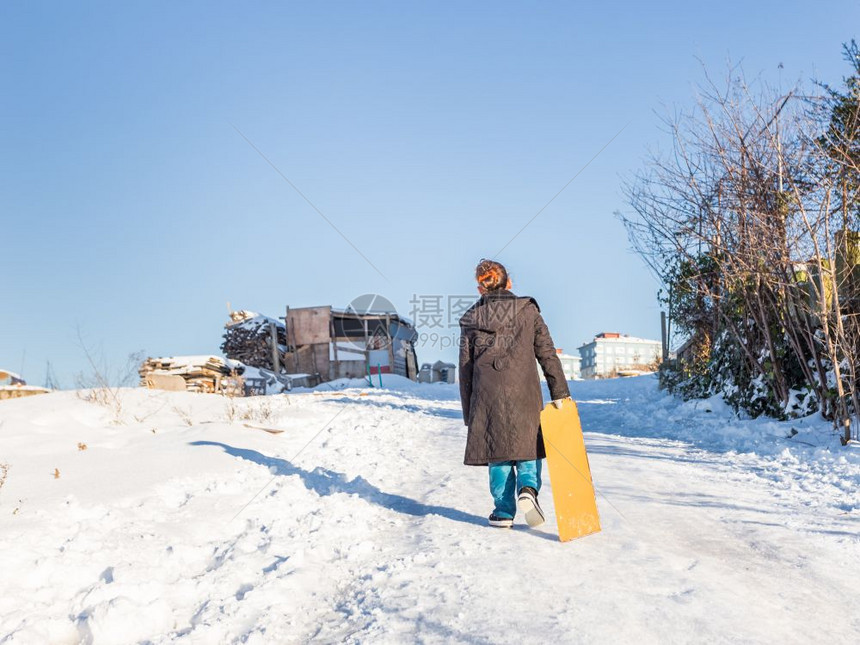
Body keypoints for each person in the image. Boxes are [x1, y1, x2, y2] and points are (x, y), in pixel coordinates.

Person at [458, 259, 571, 528]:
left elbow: (465, 368)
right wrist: (560, 393)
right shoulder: (528, 311)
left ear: (480, 288)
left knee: (497, 450)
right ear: (509, 283)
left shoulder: (471, 319)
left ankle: (503, 511)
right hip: (523, 389)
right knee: (527, 444)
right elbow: (547, 355)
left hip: (487, 393)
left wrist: (469, 412)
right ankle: (528, 489)